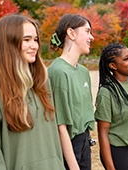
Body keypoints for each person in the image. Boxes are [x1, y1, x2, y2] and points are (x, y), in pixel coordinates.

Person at [0, 15, 65, 170]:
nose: (34, 45)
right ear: (7, 42)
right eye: (26, 40)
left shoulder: (42, 81)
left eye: (35, 39)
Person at [48, 14, 95, 170]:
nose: (92, 37)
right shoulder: (58, 71)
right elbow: (61, 126)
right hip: (67, 146)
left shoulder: (83, 71)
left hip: (85, 141)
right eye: (87, 32)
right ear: (71, 33)